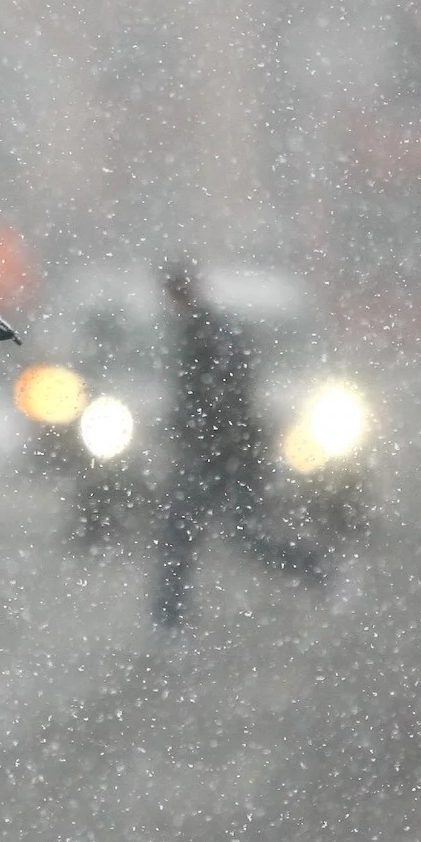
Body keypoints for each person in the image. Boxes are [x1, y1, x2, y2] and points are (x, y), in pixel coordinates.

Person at [152, 258, 326, 628]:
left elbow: (224, 398)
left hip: (223, 455)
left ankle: (318, 568)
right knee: (217, 533)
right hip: (223, 454)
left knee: (216, 534)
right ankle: (169, 617)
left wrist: (205, 435)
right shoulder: (202, 332)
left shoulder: (209, 334)